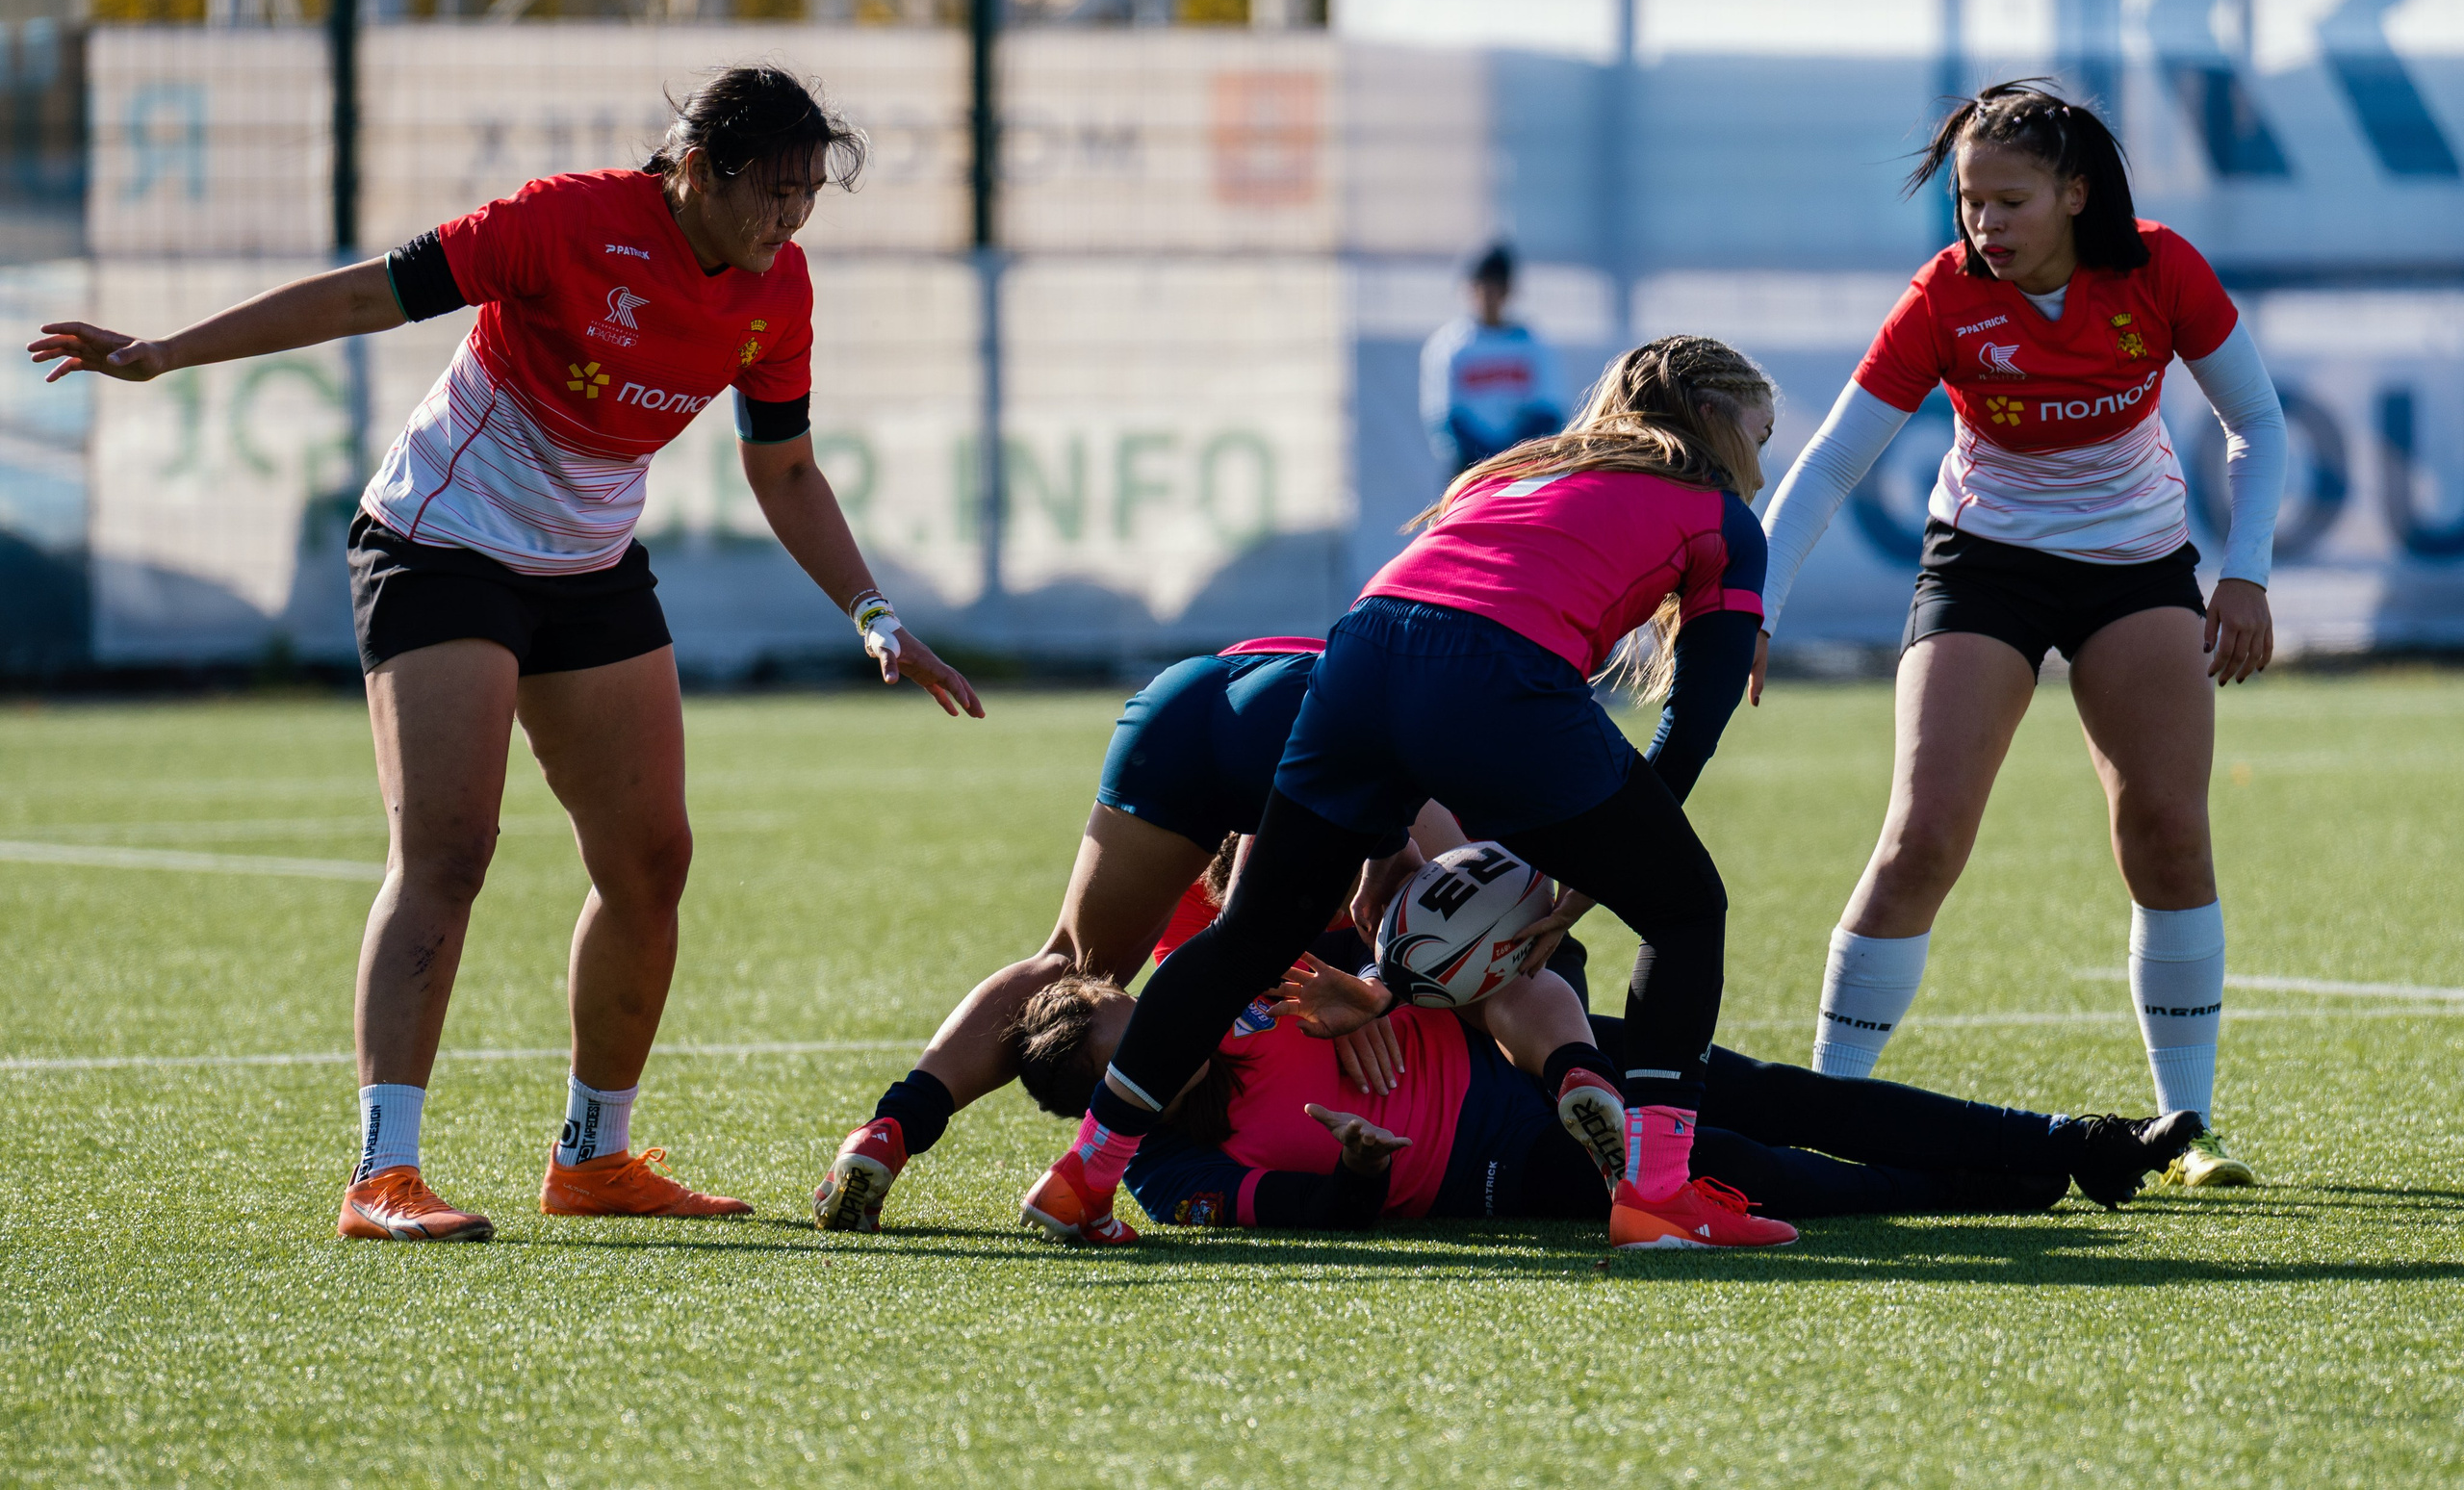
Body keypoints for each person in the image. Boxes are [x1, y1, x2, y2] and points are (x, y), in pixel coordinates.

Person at [27, 65, 984, 1243]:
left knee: (651, 860)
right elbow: (367, 298)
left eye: (808, 198)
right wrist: (167, 354)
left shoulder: (776, 290)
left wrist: (875, 615)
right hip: (442, 543)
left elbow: (783, 469)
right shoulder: (565, 222)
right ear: (698, 169)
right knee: (449, 850)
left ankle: (593, 1156)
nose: (790, 219)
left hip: (586, 567)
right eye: (774, 192)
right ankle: (383, 1176)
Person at [1020, 334, 1793, 1253]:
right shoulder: (1720, 516)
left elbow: (1436, 619)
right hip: (1488, 671)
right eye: (1762, 430)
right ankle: (1656, 1193)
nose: (1764, 454)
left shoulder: (1519, 469)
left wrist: (1385, 833)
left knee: (1249, 936)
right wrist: (1618, 869)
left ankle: (1085, 1174)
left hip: (1360, 649)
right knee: (1686, 908)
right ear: (1713, 421)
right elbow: (1692, 727)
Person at [1752, 81, 2284, 1189]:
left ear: (2074, 195)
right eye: (1967, 202)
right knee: (1920, 840)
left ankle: (2187, 1130)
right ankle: (1829, 1118)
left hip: (2136, 571)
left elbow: (2257, 422)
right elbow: (1829, 465)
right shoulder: (1942, 296)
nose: (1981, 226)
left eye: (2008, 201)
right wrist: (1744, 608)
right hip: (1981, 568)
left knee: (2170, 838)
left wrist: (2245, 576)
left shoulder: (2159, 267)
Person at [812, 635, 1554, 1231]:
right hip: (1297, 706)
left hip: (1174, 711)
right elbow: (1374, 903)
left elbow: (1255, 919)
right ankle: (1081, 1173)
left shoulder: (1189, 974)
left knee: (1069, 957)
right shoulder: (1448, 757)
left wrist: (1356, 980)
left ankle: (891, 1129)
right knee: (1498, 927)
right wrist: (1371, 984)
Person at [1006, 933, 2200, 1233]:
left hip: (1529, 1051)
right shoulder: (1169, 1176)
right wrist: (1363, 1172)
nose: (1165, 1038)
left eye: (1143, 1017)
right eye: (1138, 1060)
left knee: (1784, 1096)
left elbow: (1391, 936)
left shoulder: (1228, 980)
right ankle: (2001, 1190)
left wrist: (1375, 987)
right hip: (1501, 1164)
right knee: (1780, 1180)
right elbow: (1306, 1213)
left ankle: (2073, 1140)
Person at [1420, 244, 1571, 475]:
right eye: (1481, 285)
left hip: (1523, 465)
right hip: (1468, 467)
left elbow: (1548, 412)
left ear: (1509, 290)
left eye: (1496, 286)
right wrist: (1486, 457)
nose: (1488, 295)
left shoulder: (1533, 345)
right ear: (1468, 288)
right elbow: (1445, 419)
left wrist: (1511, 454)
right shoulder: (1450, 346)